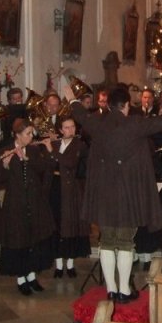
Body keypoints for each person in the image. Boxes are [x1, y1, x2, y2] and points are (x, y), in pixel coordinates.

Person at [64, 84, 162, 304]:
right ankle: (124, 292)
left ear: (108, 105)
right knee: (126, 242)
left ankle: (111, 289)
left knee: (107, 241)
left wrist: (71, 98)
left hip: (104, 195)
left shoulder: (97, 123)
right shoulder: (135, 124)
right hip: (128, 194)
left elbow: (79, 113)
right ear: (126, 105)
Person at [0, 118, 56, 296]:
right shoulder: (5, 151)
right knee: (19, 239)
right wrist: (5, 165)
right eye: (28, 134)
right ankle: (21, 279)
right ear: (17, 135)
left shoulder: (34, 150)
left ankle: (31, 276)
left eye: (32, 133)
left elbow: (45, 168)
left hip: (34, 201)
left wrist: (28, 159)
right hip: (15, 203)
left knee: (33, 239)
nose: (31, 136)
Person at [50, 116, 90, 278]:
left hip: (73, 190)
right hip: (56, 188)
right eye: (66, 127)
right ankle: (59, 266)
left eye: (72, 127)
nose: (70, 130)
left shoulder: (80, 145)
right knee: (58, 224)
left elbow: (70, 162)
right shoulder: (54, 144)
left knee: (71, 224)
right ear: (60, 130)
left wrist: (52, 152)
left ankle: (71, 264)